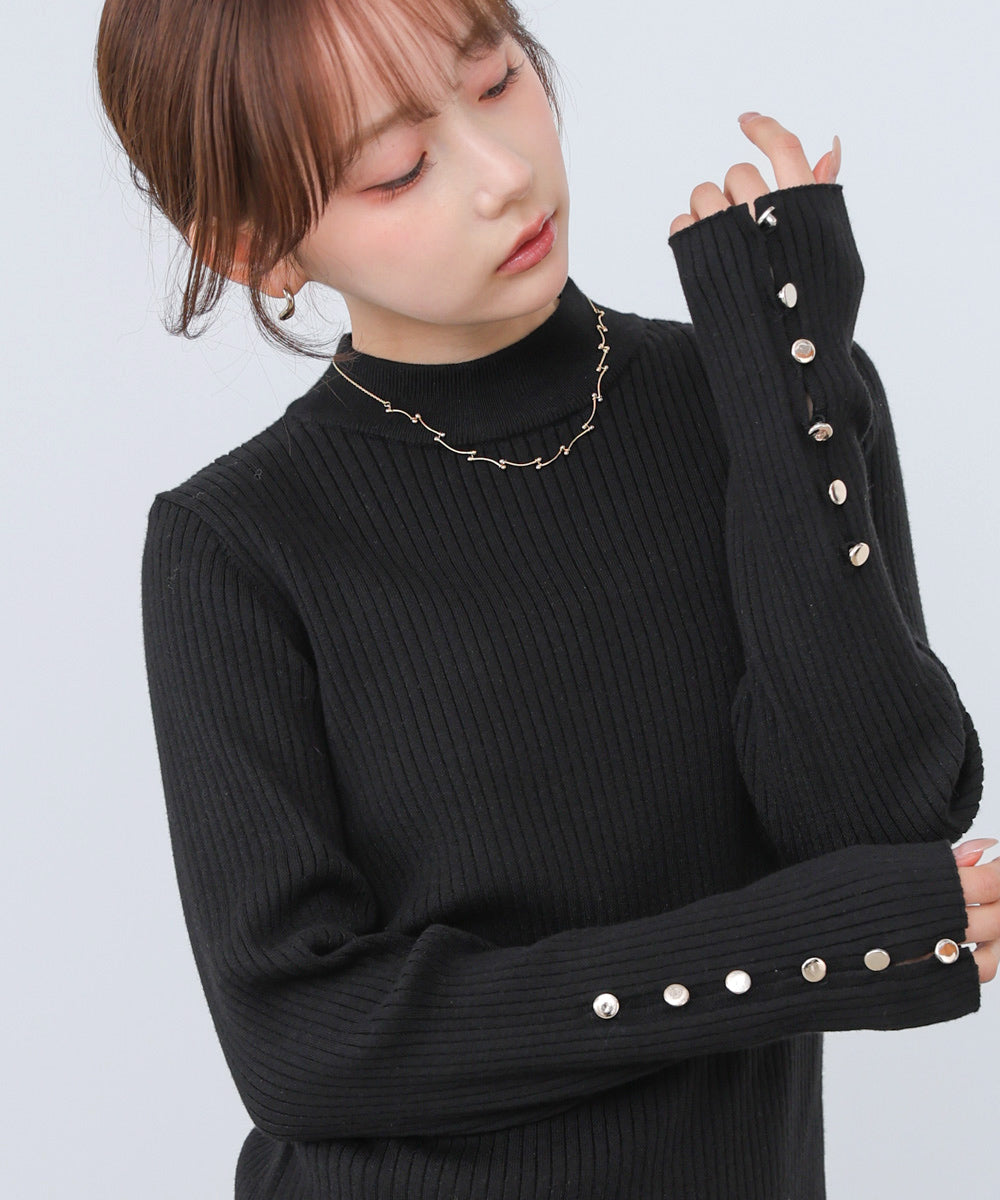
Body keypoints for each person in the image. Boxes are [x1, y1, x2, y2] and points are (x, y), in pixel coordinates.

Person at [96, 1, 998, 1197]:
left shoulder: (760, 402)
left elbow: (876, 825)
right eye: (398, 168)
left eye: (497, 82)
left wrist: (790, 379)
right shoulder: (239, 544)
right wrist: (798, 953)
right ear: (255, 247)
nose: (504, 175)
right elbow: (306, 1042)